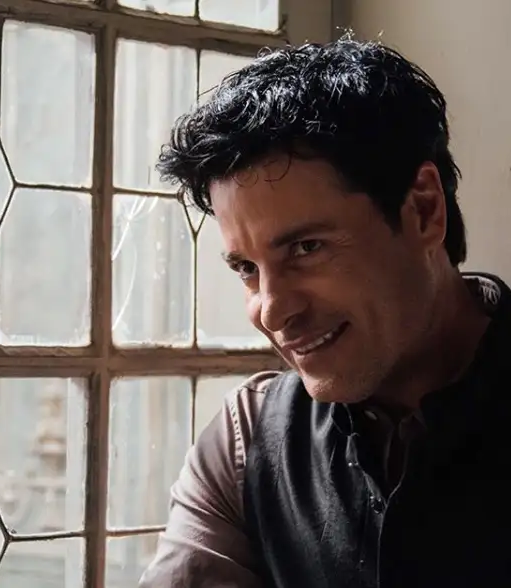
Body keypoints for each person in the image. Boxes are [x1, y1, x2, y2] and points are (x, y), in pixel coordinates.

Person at [139, 38, 511, 588]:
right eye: (246, 268)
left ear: (423, 210)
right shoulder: (246, 441)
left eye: (306, 248)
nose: (271, 311)